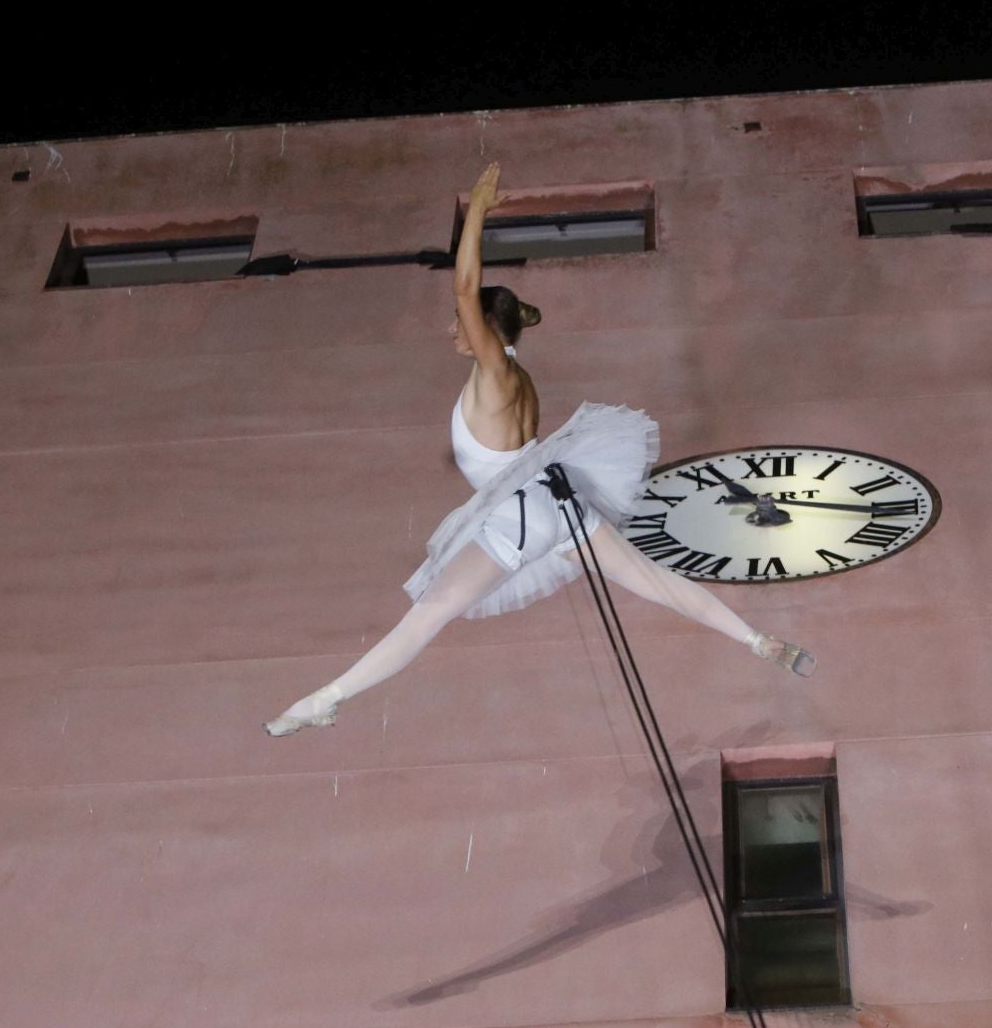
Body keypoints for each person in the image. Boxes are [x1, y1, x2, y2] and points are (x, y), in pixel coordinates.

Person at [265, 163, 814, 737]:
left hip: (522, 515)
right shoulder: (517, 377)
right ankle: (759, 641)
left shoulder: (496, 371)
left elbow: (463, 285)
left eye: (460, 323)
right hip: (557, 507)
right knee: (654, 582)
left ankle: (320, 700)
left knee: (427, 616)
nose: (451, 330)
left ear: (483, 327)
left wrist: (476, 210)